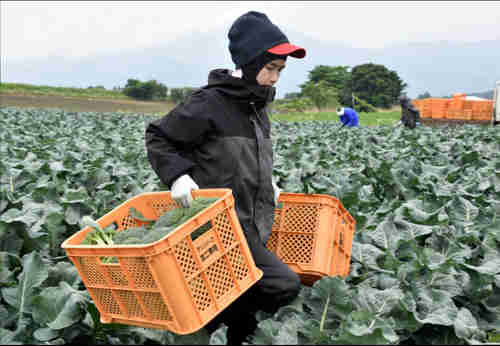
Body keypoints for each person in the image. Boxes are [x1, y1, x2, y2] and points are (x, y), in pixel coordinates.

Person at [145, 11, 306, 345]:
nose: (275, 78)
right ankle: (203, 326)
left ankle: (223, 331)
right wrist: (177, 176)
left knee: (245, 309)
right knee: (282, 284)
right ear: (249, 62)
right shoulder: (209, 103)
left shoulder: (257, 107)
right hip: (219, 225)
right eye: (271, 68)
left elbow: (247, 157)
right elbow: (159, 137)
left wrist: (268, 181)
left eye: (280, 70)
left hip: (251, 220)